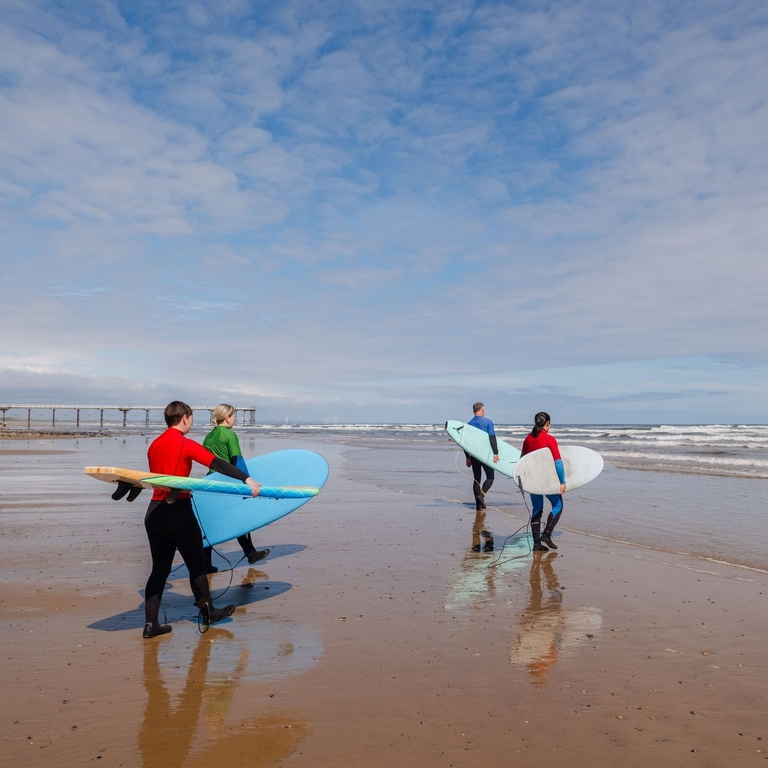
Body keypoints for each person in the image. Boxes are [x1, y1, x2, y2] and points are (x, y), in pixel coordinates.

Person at [142, 401, 261, 638]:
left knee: (159, 570)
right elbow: (216, 463)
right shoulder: (185, 444)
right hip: (179, 511)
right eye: (191, 418)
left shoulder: (154, 445)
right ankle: (208, 613)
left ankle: (150, 624)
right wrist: (246, 479)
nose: (192, 423)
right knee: (196, 564)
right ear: (185, 417)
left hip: (154, 512)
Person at [202, 404, 269, 572]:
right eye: (234, 416)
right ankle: (251, 553)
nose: (235, 419)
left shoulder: (208, 437)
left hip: (210, 482)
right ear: (227, 418)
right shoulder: (229, 434)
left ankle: (206, 564)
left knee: (209, 524)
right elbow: (237, 460)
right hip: (228, 482)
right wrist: (249, 481)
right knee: (239, 518)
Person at [521, 411, 566, 552]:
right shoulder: (549, 439)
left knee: (537, 509)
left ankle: (536, 544)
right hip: (546, 480)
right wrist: (562, 482)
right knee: (558, 504)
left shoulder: (528, 439)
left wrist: (523, 480)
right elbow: (558, 463)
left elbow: (522, 461)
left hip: (532, 480)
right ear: (547, 424)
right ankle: (546, 534)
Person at [465, 402, 499, 510]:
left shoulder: (469, 424)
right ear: (482, 410)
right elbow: (492, 438)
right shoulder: (488, 422)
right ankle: (482, 495)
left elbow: (465, 443)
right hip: (485, 454)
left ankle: (478, 506)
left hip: (474, 455)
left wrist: (467, 457)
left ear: (473, 411)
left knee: (477, 479)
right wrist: (495, 453)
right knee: (490, 477)